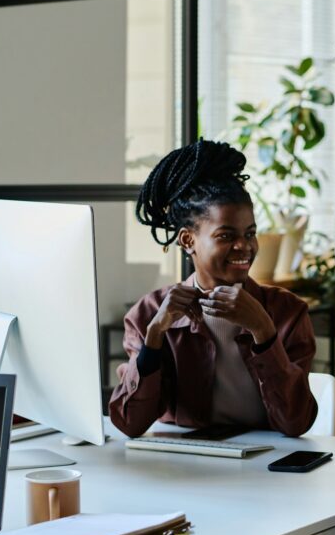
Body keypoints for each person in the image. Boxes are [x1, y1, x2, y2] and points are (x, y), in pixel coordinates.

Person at [109, 140, 317, 438]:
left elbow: (295, 423)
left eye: (250, 233)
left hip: (266, 468)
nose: (244, 246)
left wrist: (263, 330)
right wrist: (155, 336)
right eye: (226, 235)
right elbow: (129, 424)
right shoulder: (149, 313)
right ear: (187, 240)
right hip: (185, 466)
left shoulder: (287, 312)